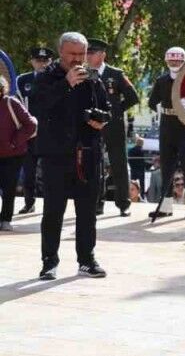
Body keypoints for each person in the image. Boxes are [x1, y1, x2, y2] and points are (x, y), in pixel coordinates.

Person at [28, 32, 110, 279]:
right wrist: (66, 83)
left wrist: (101, 120)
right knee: (53, 211)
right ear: (61, 52)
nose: (77, 59)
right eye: (72, 54)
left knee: (87, 212)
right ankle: (49, 262)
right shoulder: (46, 77)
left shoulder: (93, 78)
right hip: (56, 155)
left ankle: (87, 260)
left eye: (81, 54)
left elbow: (106, 108)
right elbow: (38, 107)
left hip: (87, 154)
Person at [86, 37, 140, 217]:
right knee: (95, 164)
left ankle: (123, 204)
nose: (88, 56)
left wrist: (116, 111)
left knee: (119, 164)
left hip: (113, 125)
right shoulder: (85, 73)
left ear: (102, 55)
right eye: (87, 53)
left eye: (92, 53)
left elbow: (133, 97)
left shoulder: (115, 74)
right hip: (92, 125)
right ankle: (97, 203)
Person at [147, 47, 185, 220]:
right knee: (166, 167)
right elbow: (152, 101)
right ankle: (165, 206)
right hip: (167, 126)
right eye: (171, 60)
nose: (174, 63)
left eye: (177, 60)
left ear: (184, 61)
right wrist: (159, 108)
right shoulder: (161, 80)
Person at [16, 45, 52, 214]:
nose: (42, 64)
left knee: (49, 172)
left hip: (49, 132)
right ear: (32, 61)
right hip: (29, 133)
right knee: (28, 171)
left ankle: (51, 205)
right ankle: (29, 202)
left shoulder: (57, 79)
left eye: (45, 60)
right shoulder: (22, 80)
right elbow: (17, 105)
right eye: (38, 60)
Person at [0, 74, 38, 231]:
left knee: (9, 187)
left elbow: (31, 124)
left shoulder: (11, 103)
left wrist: (14, 142)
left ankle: (5, 219)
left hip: (13, 154)